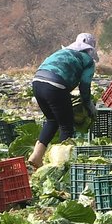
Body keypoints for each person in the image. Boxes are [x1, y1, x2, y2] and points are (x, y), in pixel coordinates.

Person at [28, 33, 98, 168]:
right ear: (90, 49)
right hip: (56, 86)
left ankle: (36, 156)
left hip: (37, 82)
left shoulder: (63, 52)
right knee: (66, 127)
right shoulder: (88, 61)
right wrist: (89, 105)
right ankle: (59, 166)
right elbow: (84, 86)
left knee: (52, 120)